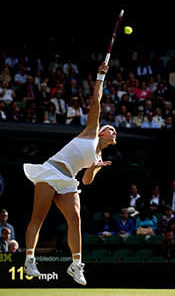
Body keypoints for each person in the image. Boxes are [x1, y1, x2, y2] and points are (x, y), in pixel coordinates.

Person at [22, 62, 115, 285]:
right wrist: (100, 76)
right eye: (110, 128)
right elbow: (97, 100)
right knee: (38, 217)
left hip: (68, 180)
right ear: (102, 132)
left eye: (114, 131)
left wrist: (93, 168)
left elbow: (85, 180)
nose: (112, 131)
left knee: (75, 220)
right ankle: (29, 260)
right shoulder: (91, 132)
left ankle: (76, 265)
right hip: (51, 171)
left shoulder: (99, 159)